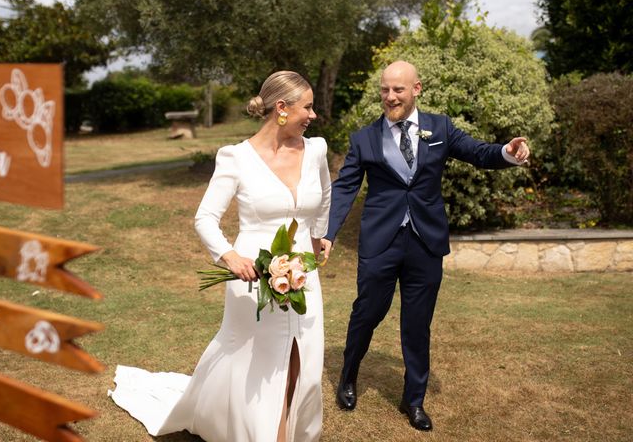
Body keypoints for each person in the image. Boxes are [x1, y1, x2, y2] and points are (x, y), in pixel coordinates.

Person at [109, 71, 332, 442]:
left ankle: (293, 430)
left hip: (303, 274)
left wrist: (319, 236)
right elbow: (205, 218)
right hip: (253, 276)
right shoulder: (236, 158)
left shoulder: (317, 150)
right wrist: (229, 256)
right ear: (281, 108)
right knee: (260, 360)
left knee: (303, 356)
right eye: (307, 107)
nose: (313, 115)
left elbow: (323, 196)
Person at [320, 60, 530, 432]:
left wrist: (506, 152)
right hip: (380, 242)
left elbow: (478, 152)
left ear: (416, 89)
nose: (390, 96)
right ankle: (348, 378)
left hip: (425, 242)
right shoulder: (364, 139)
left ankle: (413, 399)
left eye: (398, 89)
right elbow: (345, 188)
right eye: (385, 89)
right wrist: (328, 232)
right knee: (367, 313)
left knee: (417, 325)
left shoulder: (441, 127)